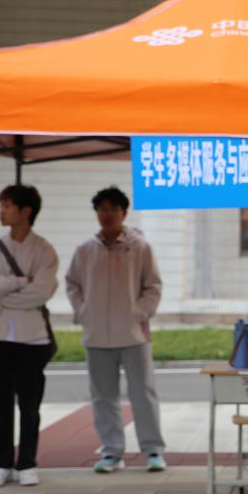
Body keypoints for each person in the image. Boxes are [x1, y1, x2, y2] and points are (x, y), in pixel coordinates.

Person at [65, 186, 165, 474]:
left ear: (124, 213)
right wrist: (83, 312)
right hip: (96, 335)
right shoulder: (85, 249)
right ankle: (111, 452)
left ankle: (153, 450)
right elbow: (72, 283)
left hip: (134, 335)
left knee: (143, 393)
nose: (107, 215)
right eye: (102, 209)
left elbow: (153, 286)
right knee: (103, 397)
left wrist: (138, 313)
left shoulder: (140, 247)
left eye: (113, 209)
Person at [0, 184, 59, 487]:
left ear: (26, 211)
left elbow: (41, 293)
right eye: (1, 205)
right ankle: (0, 462)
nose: (2, 211)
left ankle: (27, 462)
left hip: (31, 337)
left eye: (8, 205)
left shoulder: (44, 250)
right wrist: (21, 281)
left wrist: (1, 295)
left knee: (29, 405)